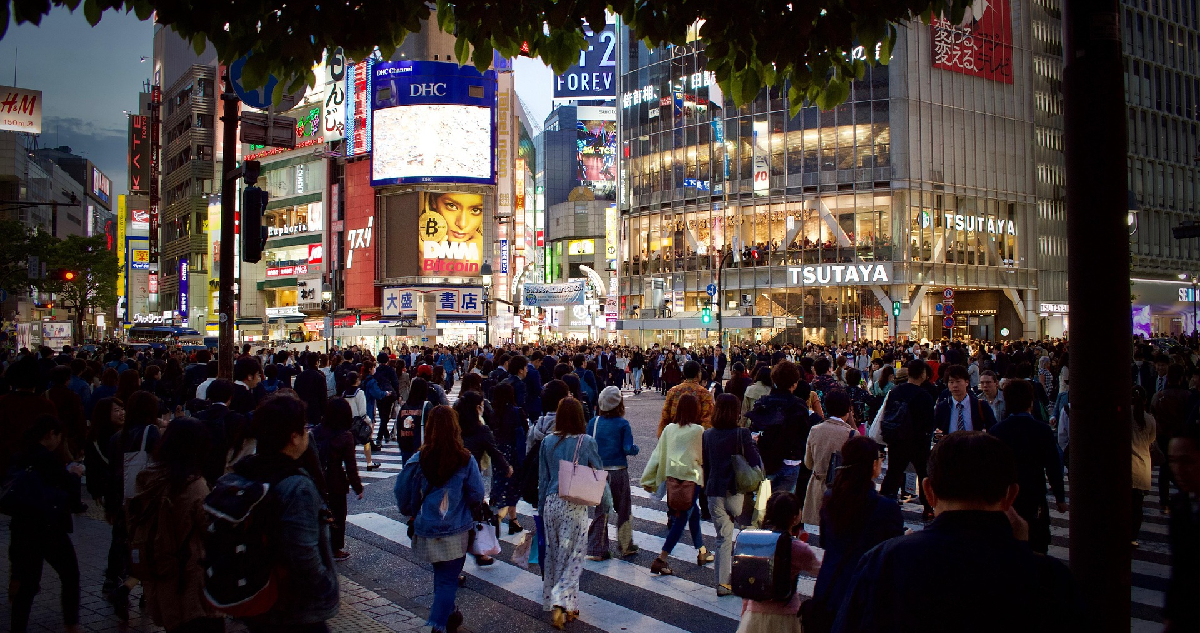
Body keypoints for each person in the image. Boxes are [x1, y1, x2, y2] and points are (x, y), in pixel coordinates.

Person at [832, 432, 1084, 633]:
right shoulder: (1050, 579)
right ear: (1010, 496)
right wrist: (1020, 551)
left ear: (928, 492)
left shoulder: (887, 561)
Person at [225, 394, 339, 633]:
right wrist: (324, 585)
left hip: (258, 590)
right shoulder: (296, 485)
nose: (308, 433)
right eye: (304, 428)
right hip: (295, 603)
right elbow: (303, 552)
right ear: (293, 437)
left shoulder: (244, 472)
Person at [128, 417, 224, 633]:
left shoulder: (147, 479)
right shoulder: (193, 485)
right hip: (192, 582)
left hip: (160, 578)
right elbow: (211, 530)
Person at [394, 405, 482, 633]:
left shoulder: (419, 458)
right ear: (455, 428)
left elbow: (402, 491)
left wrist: (410, 510)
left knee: (442, 575)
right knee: (448, 579)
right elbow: (477, 494)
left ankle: (450, 613)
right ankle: (438, 624)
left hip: (428, 527)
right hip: (456, 528)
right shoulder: (464, 459)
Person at [803, 436, 902, 633]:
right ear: (873, 464)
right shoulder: (886, 508)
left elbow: (825, 541)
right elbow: (891, 556)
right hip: (865, 593)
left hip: (829, 586)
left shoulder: (831, 498)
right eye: (880, 457)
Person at [6, 415, 84, 633]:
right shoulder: (48, 459)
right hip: (49, 527)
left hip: (23, 526)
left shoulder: (20, 456)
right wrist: (75, 475)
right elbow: (67, 489)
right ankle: (71, 623)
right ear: (51, 434)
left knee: (28, 583)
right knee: (70, 574)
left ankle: (17, 627)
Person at [537, 397, 603, 629]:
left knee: (555, 557)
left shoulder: (547, 442)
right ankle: (561, 601)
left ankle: (569, 604)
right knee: (573, 558)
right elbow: (598, 471)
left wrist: (539, 508)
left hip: (551, 504)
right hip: (574, 506)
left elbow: (543, 479)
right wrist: (605, 503)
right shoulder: (586, 442)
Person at [985, 379, 1067, 554]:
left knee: (1008, 544)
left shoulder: (997, 431)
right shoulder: (1042, 430)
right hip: (1034, 492)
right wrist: (1059, 496)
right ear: (1031, 401)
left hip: (1006, 496)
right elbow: (1053, 465)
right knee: (1037, 541)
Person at [641, 393, 710, 576]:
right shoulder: (698, 430)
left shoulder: (669, 429)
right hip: (691, 479)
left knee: (692, 512)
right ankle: (661, 559)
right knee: (682, 518)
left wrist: (649, 478)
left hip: (673, 479)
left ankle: (702, 551)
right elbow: (702, 457)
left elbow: (658, 454)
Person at [702, 393, 762, 596]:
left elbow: (707, 466)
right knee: (750, 529)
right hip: (736, 491)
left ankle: (722, 583)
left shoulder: (707, 434)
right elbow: (754, 462)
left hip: (714, 491)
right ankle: (750, 576)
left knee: (722, 539)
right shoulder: (742, 434)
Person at [735, 492, 821, 633]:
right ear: (795, 518)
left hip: (754, 615)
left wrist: (745, 612)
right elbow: (821, 571)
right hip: (786, 616)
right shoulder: (797, 547)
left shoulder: (756, 541)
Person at [877, 359, 937, 519]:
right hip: (918, 441)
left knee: (893, 472)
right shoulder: (924, 395)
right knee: (924, 473)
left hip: (897, 439)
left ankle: (884, 504)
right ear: (923, 374)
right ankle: (928, 507)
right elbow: (929, 422)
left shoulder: (896, 391)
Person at [586, 386, 641, 560]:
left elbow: (588, 445)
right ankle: (625, 545)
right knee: (623, 509)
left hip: (600, 473)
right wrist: (635, 449)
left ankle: (597, 548)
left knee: (601, 511)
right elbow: (627, 448)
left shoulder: (593, 422)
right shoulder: (623, 424)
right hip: (618, 472)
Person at [746, 360, 813, 496]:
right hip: (791, 459)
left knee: (763, 502)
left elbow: (753, 429)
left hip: (767, 459)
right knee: (784, 502)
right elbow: (804, 434)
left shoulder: (763, 403)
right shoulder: (799, 406)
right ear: (794, 384)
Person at [313, 398, 365, 561]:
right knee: (338, 515)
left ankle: (319, 544)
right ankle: (335, 548)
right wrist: (358, 487)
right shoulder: (345, 436)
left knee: (319, 513)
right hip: (336, 481)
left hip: (317, 479)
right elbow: (350, 466)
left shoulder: (316, 431)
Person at [801, 391, 858, 526]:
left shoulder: (815, 430)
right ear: (848, 409)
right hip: (842, 490)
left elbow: (808, 463)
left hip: (817, 486)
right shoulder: (852, 434)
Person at [1166, 421, 1200, 633]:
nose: (1178, 470)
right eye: (1172, 461)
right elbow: (1180, 569)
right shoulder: (1180, 506)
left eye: (1187, 461)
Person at [489, 383, 528, 534]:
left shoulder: (494, 413)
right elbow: (525, 431)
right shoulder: (517, 412)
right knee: (513, 487)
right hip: (515, 453)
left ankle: (499, 515)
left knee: (499, 485)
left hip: (499, 453)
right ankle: (512, 519)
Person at [1152, 363, 1190, 512]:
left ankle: (1164, 501)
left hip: (1163, 436)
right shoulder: (1188, 396)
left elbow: (1153, 412)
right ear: (1182, 378)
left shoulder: (1160, 396)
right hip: (1181, 436)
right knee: (1181, 467)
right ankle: (1183, 495)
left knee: (1164, 468)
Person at [934, 364, 998, 434]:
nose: (955, 385)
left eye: (958, 381)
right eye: (951, 382)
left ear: (966, 382)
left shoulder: (980, 405)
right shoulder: (942, 407)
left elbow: (993, 430)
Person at [1130, 385, 1156, 547]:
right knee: (1137, 506)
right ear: (1145, 401)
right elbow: (1152, 440)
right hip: (1141, 467)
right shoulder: (1150, 419)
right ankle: (1132, 536)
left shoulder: (1123, 414)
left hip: (1124, 468)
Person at [659, 360, 715, 436]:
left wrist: (663, 436)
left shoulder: (673, 391)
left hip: (675, 436)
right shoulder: (704, 393)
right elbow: (707, 419)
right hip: (695, 438)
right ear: (698, 374)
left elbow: (665, 416)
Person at [342, 371, 379, 471]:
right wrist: (368, 421)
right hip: (358, 420)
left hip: (347, 421)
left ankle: (349, 466)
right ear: (357, 380)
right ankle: (369, 462)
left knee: (351, 445)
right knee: (366, 441)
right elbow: (362, 410)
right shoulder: (359, 392)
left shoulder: (344, 393)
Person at [396, 378, 433, 466]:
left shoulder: (405, 406)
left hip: (405, 444)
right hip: (420, 445)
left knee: (408, 472)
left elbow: (398, 425)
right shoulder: (426, 406)